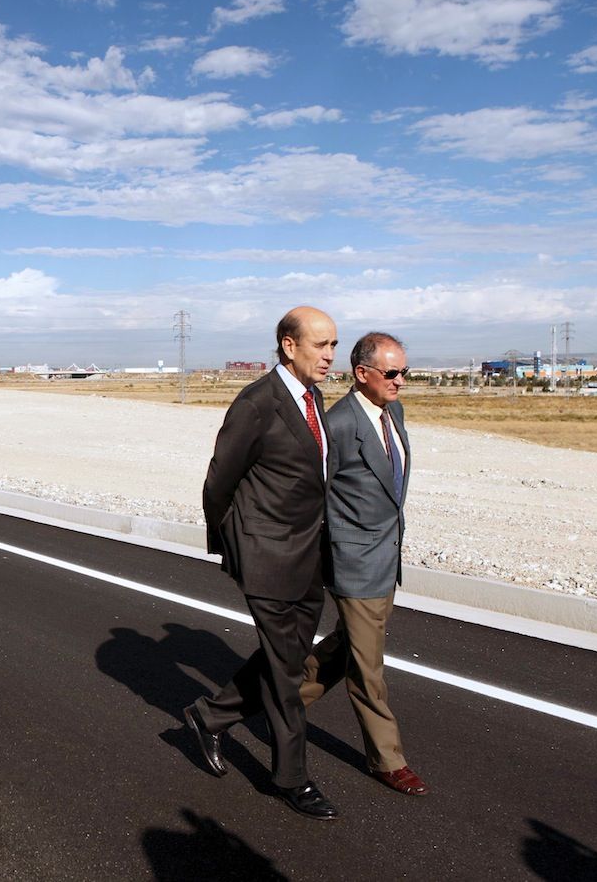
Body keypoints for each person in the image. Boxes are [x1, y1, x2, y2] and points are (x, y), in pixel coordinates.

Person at [184, 306, 340, 820]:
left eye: (334, 345)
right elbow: (218, 483)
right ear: (289, 346)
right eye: (320, 345)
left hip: (308, 554)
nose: (330, 355)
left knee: (288, 661)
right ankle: (292, 779)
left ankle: (208, 716)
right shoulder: (257, 403)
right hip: (267, 557)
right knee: (284, 674)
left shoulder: (312, 398)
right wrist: (234, 546)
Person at [299, 333, 428, 796]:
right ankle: (387, 760)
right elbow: (317, 495)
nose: (400, 382)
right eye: (391, 373)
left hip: (385, 556)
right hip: (353, 562)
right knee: (367, 669)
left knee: (345, 648)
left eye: (404, 372)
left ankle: (276, 702)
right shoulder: (338, 424)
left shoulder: (393, 412)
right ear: (362, 374)